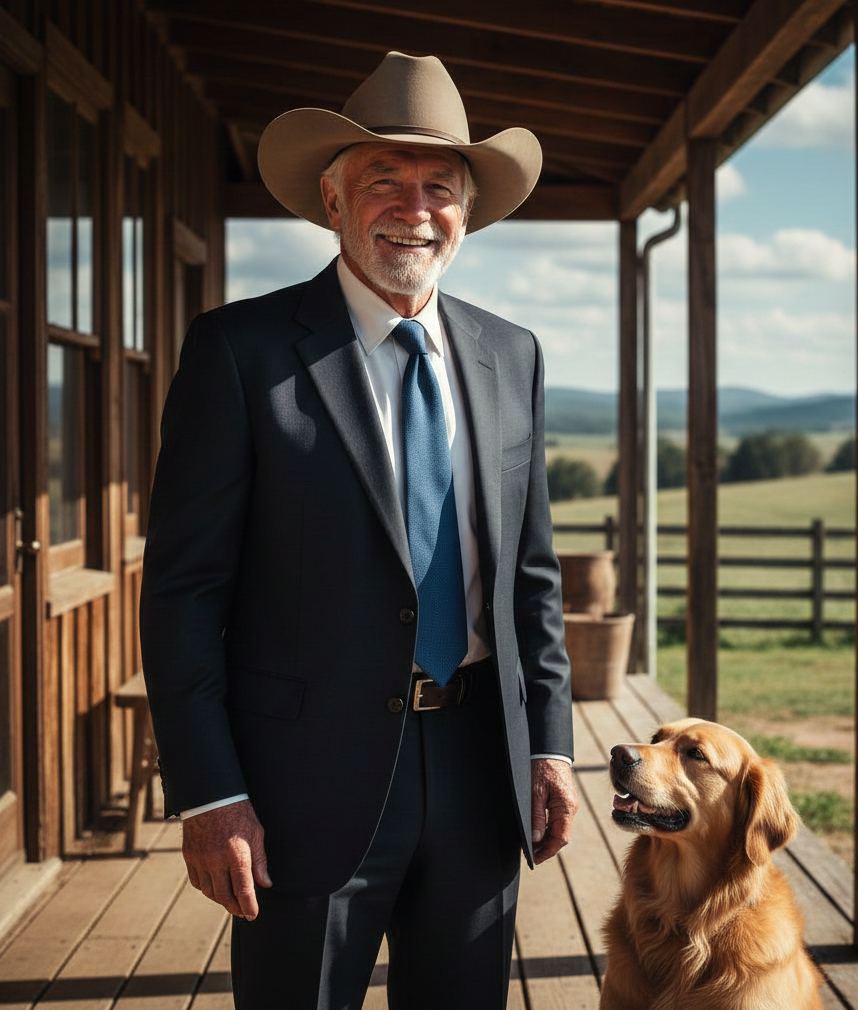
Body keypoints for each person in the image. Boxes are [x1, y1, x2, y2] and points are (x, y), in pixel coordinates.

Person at [139, 51, 577, 1010]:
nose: (414, 208)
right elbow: (181, 594)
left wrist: (549, 743)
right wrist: (211, 796)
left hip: (478, 771)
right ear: (333, 201)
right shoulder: (241, 354)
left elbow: (531, 578)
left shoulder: (513, 355)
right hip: (300, 786)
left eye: (440, 188)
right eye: (385, 181)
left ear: (468, 214)